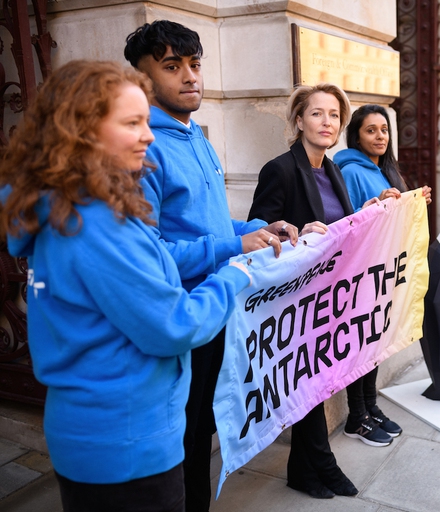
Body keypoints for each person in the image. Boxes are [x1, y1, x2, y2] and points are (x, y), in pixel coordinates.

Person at [0, 60, 254, 511]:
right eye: (132, 123)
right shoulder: (97, 223)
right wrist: (236, 274)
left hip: (96, 436)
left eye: (146, 121)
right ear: (83, 130)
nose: (149, 135)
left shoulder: (66, 205)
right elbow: (175, 325)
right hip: (127, 445)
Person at [123, 21, 297, 512]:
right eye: (172, 66)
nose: (190, 76)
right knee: (181, 444)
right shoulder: (142, 150)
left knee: (202, 435)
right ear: (140, 78)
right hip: (180, 319)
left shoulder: (195, 135)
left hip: (217, 310)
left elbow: (210, 223)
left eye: (195, 64)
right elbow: (151, 255)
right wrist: (233, 245)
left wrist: (260, 227)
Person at [248, 83, 369, 499]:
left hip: (329, 295)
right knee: (307, 383)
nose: (326, 122)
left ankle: (302, 469)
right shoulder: (280, 170)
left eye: (334, 115)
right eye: (317, 113)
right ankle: (324, 464)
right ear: (299, 121)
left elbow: (340, 228)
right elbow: (258, 235)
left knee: (319, 381)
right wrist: (298, 235)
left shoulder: (333, 170)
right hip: (295, 300)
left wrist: (371, 213)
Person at [334, 104, 432, 446]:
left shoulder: (384, 169)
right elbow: (346, 221)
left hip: (385, 269)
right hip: (362, 271)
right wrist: (380, 202)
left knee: (375, 342)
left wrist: (412, 202)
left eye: (384, 130)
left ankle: (371, 407)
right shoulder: (350, 170)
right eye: (371, 130)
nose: (380, 136)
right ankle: (356, 416)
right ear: (356, 136)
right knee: (360, 345)